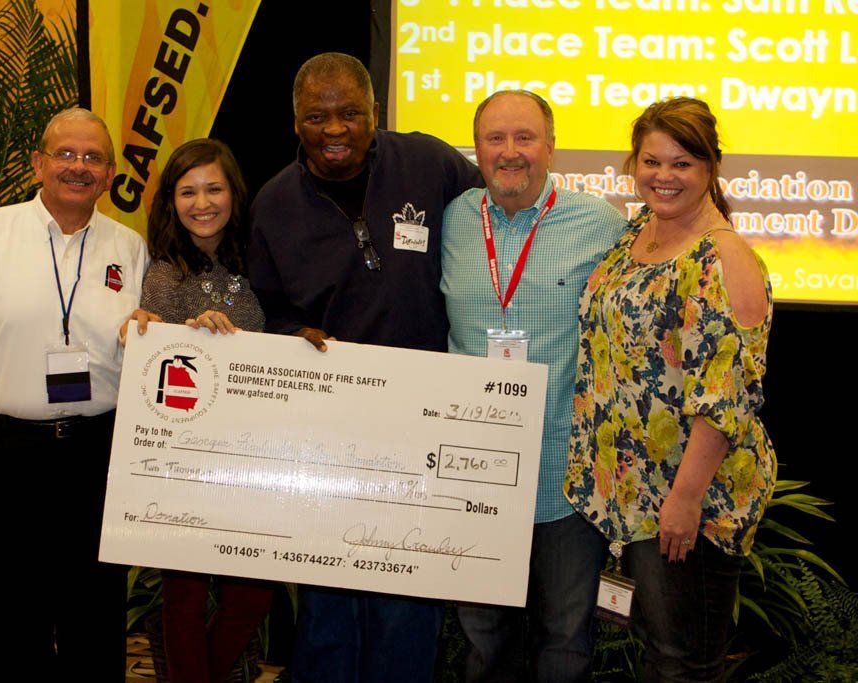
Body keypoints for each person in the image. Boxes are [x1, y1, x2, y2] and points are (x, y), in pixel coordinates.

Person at [248, 52, 482, 682]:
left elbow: (495, 225)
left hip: (427, 419)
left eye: (350, 112)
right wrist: (290, 332)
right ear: (294, 121)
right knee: (327, 595)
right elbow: (264, 309)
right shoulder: (273, 205)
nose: (335, 129)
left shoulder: (430, 164)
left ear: (376, 113)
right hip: (327, 426)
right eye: (317, 115)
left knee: (410, 592)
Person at [0, 107, 148, 681]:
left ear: (110, 175)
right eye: (65, 153)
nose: (78, 167)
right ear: (37, 163)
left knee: (96, 615)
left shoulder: (130, 248)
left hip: (98, 454)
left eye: (93, 158)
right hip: (5, 453)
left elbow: (144, 349)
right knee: (14, 617)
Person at [564, 97, 776, 681]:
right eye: (651, 161)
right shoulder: (640, 232)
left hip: (688, 502)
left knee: (683, 664)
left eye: (682, 163)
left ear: (710, 167)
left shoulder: (725, 257)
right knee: (661, 654)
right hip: (638, 492)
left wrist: (682, 504)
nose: (663, 176)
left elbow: (724, 397)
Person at [440, 90, 627, 682]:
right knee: (483, 638)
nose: (510, 152)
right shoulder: (452, 220)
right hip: (475, 470)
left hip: (564, 473)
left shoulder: (600, 223)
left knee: (565, 637)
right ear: (477, 149)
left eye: (524, 138)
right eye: (496, 139)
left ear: (550, 146)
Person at [134, 138, 272, 683]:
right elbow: (155, 369)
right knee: (185, 593)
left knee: (252, 592)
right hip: (186, 459)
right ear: (171, 201)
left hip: (256, 453)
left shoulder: (263, 258)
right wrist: (179, 337)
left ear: (234, 193)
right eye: (187, 191)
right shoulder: (166, 273)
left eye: (213, 188)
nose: (202, 203)